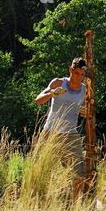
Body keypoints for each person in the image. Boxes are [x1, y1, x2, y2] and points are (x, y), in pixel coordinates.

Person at [35, 57, 88, 200]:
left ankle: (75, 206)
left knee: (79, 174)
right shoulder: (58, 82)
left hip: (70, 134)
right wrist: (52, 94)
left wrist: (85, 111)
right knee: (41, 170)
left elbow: (85, 109)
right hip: (50, 132)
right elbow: (38, 100)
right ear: (71, 70)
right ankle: (39, 203)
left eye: (82, 75)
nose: (79, 77)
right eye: (77, 73)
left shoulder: (85, 89)